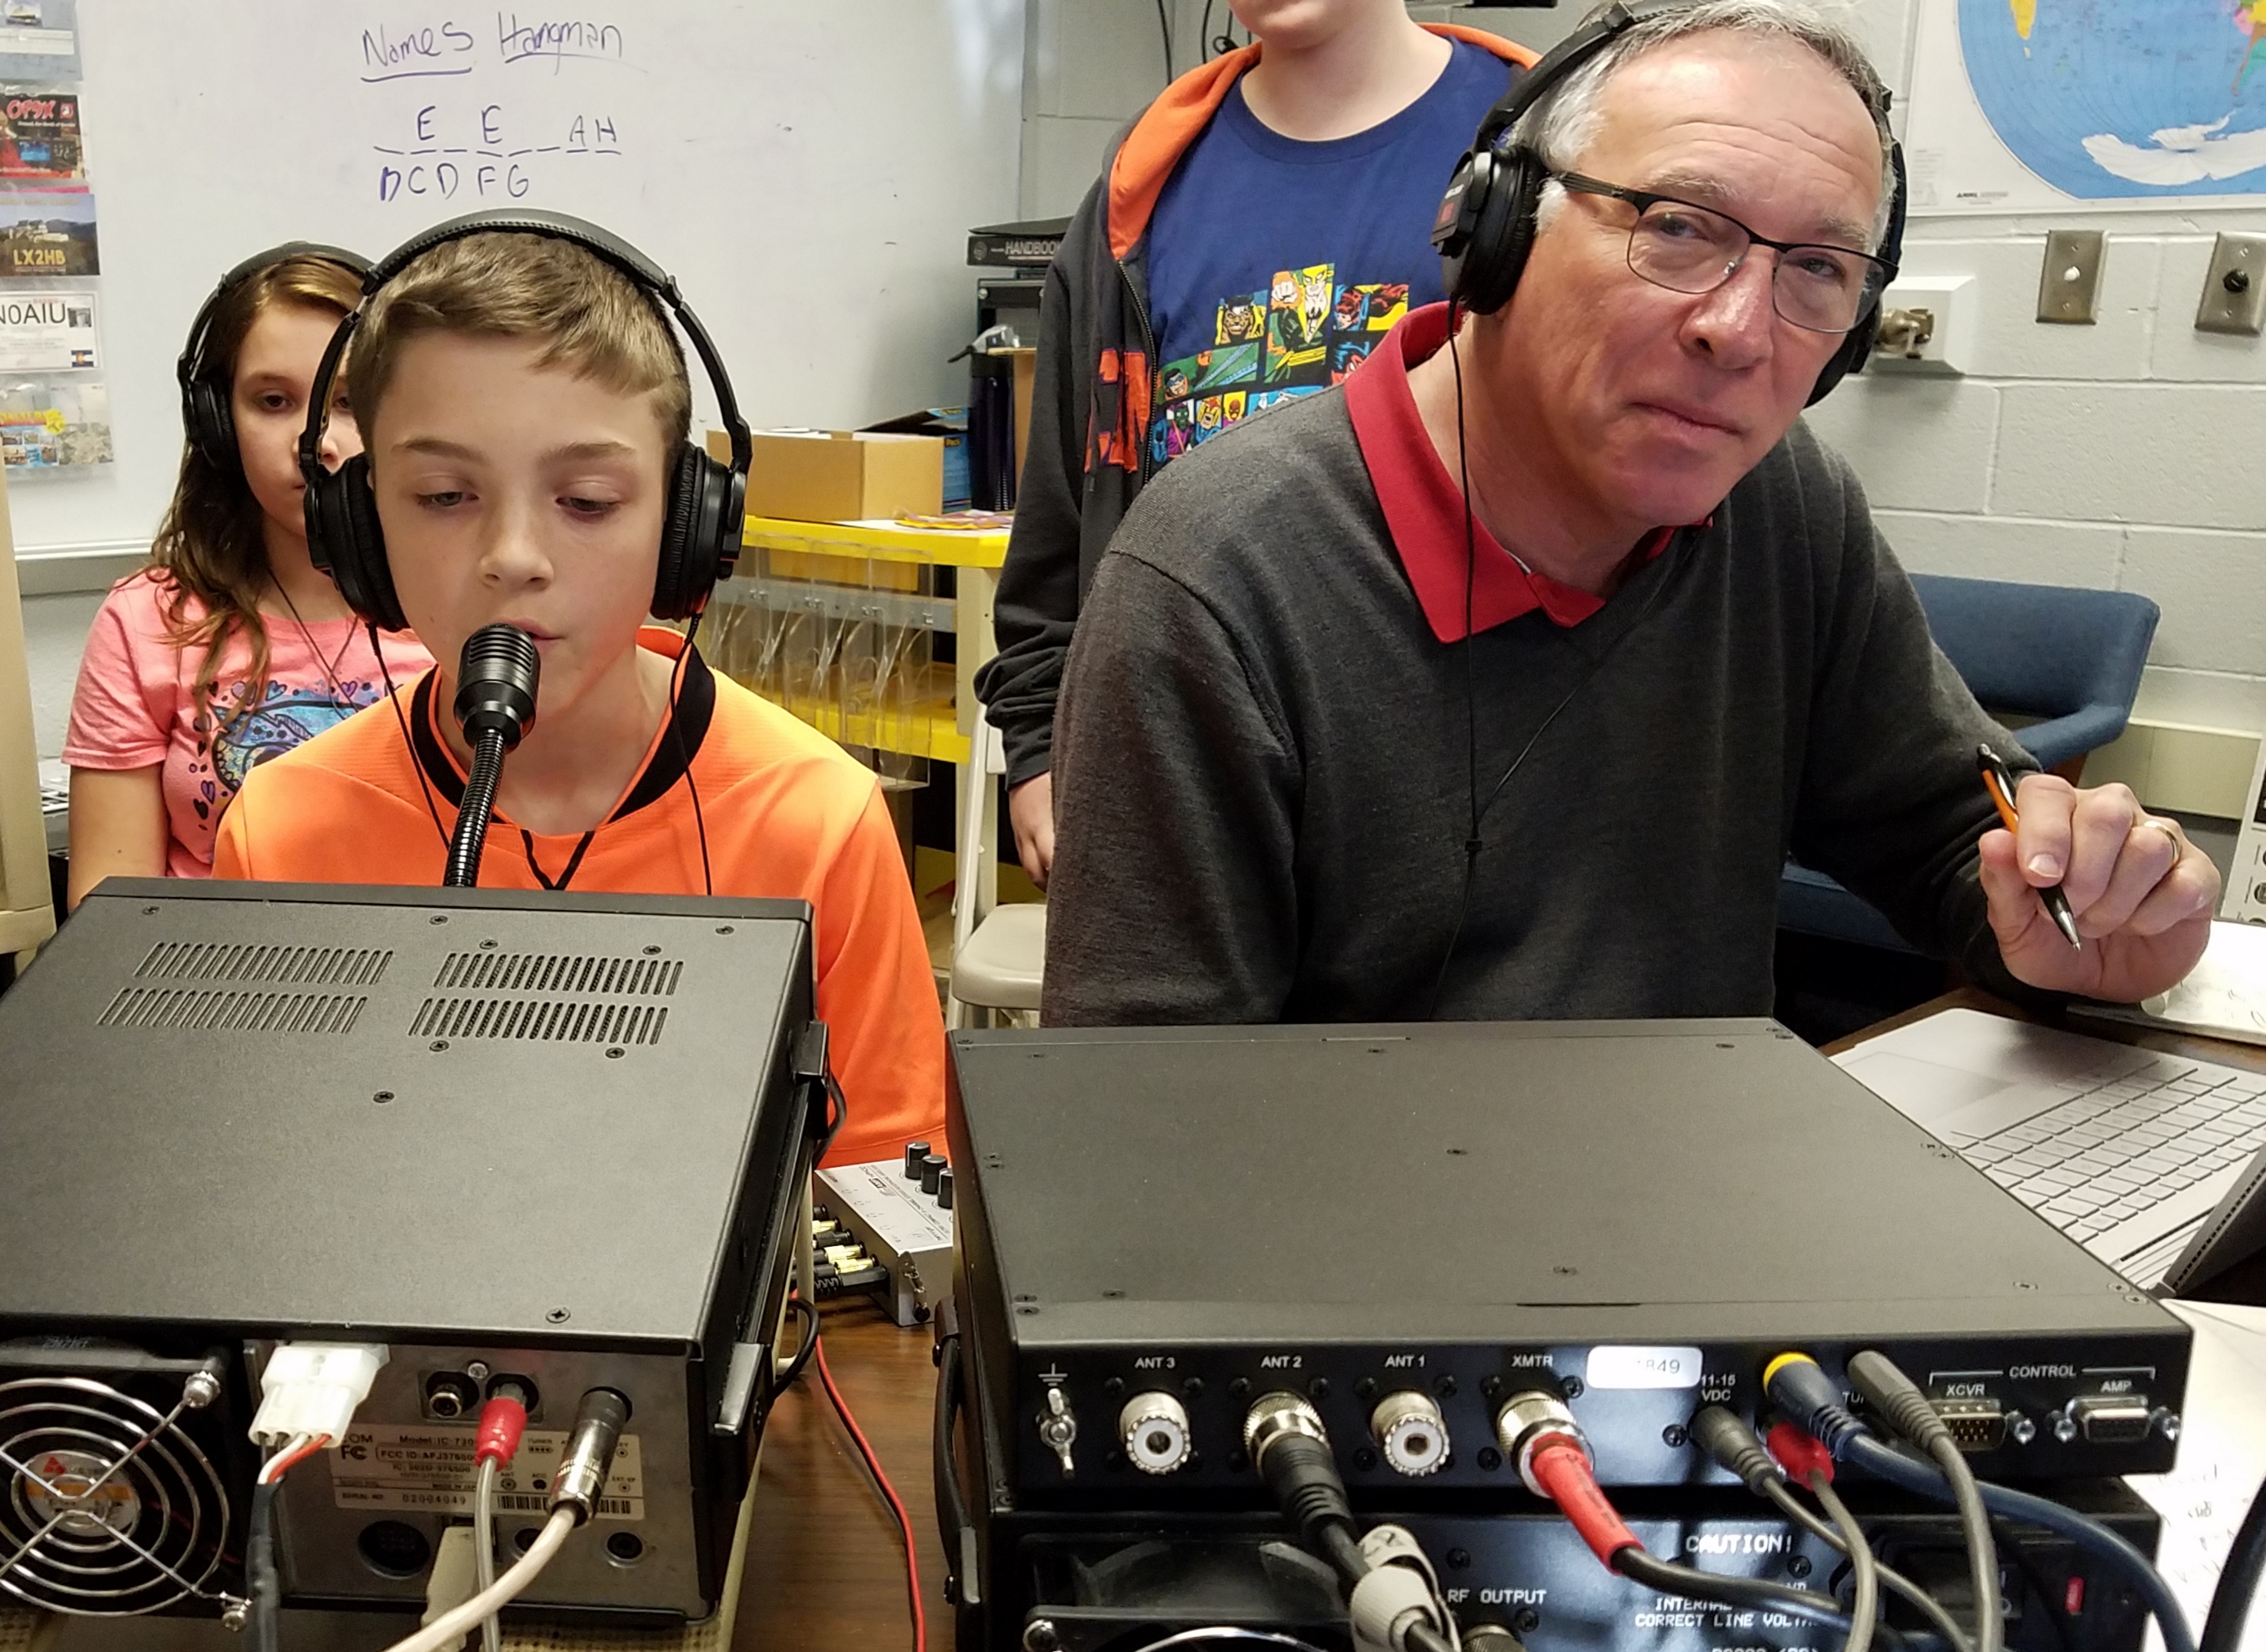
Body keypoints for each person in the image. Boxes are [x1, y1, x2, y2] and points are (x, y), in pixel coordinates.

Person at [1041, 0, 2221, 1026]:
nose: (1739, 330)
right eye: (1675, 226)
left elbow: (1946, 836)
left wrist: (2077, 918)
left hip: (1695, 1186)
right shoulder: (1215, 581)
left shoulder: (1781, 506)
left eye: (1815, 269)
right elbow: (1141, 1124)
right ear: (1495, 227)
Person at [212, 222, 943, 1167]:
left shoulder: (815, 820)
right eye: (443, 496)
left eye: (587, 501)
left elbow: (884, 1189)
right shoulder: (284, 833)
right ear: (359, 526)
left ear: (687, 529)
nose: (514, 557)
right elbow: (256, 1174)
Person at [973, 0, 1537, 886]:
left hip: (1471, 813)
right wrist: (1039, 744)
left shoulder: (1538, 148)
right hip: (1183, 801)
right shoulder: (1142, 186)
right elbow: (1058, 519)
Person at [62, 246, 433, 906]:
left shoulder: (468, 605)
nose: (315, 440)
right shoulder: (146, 621)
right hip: (211, 967)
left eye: (348, 401)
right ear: (218, 423)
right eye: (273, 401)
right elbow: (110, 910)